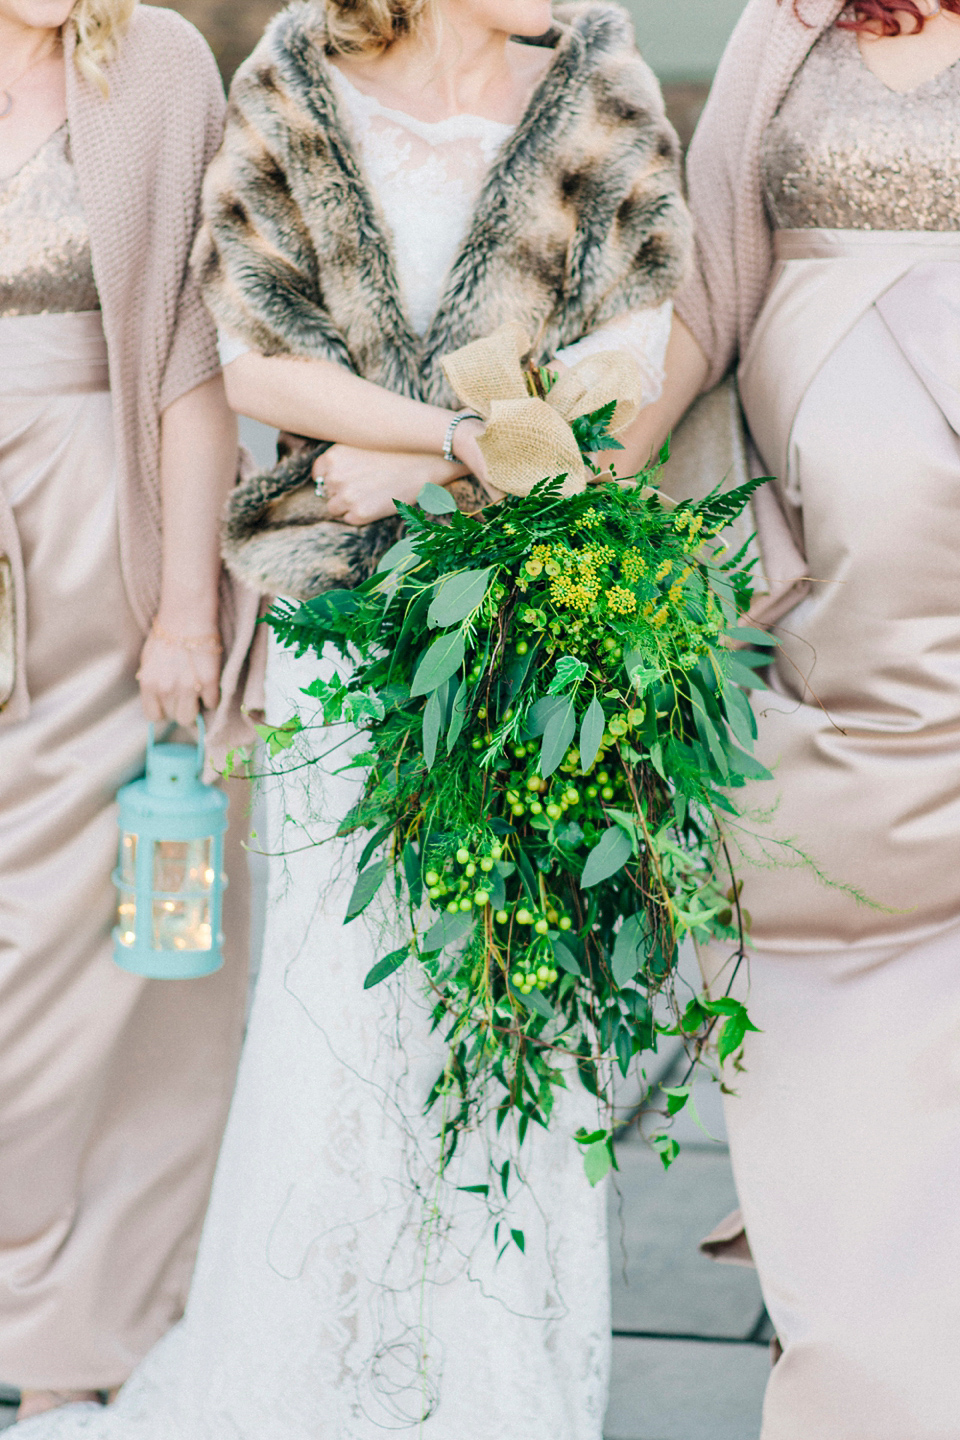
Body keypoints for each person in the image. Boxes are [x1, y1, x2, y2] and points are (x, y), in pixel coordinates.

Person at [10, 1, 690, 1436]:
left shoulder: (605, 85)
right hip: (335, 619)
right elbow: (250, 357)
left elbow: (630, 363)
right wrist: (446, 437)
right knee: (335, 1011)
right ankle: (315, 1380)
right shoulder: (295, 76)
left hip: (534, 618)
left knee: (518, 1009)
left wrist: (448, 483)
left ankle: (501, 1391)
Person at [624, 0, 960, 1433]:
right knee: (812, 913)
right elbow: (705, 289)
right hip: (817, 604)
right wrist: (577, 480)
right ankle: (857, 1343)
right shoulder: (784, 27)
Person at [0, 0, 254, 1421]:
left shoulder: (156, 63)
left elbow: (190, 358)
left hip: (102, 556)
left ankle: (76, 1337)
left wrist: (185, 606)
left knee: (114, 960)